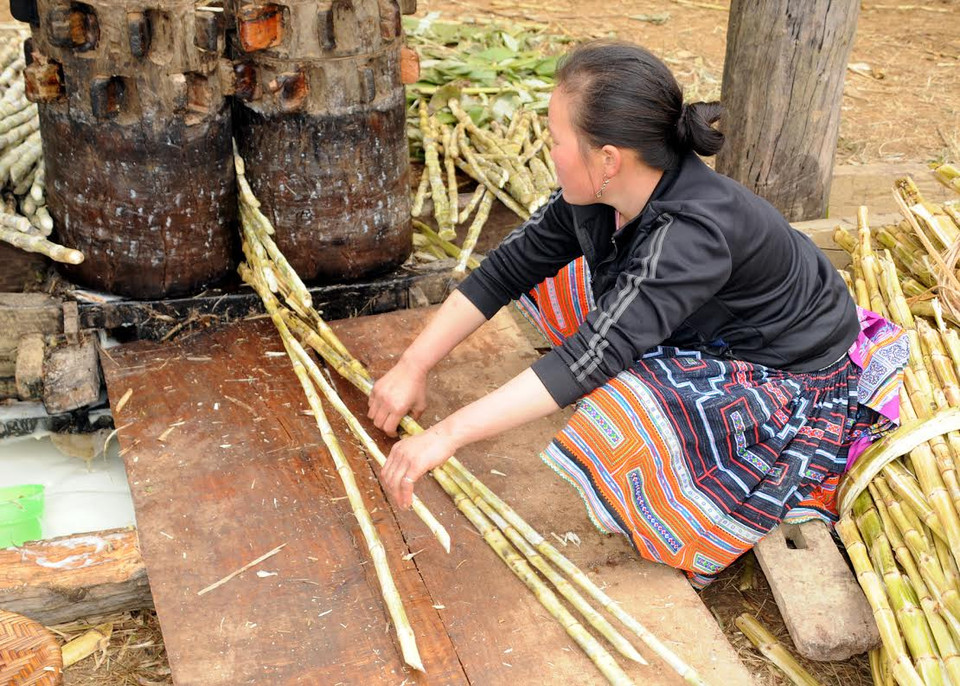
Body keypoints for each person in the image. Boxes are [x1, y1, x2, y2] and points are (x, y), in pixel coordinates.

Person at [370, 40, 908, 587]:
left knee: (621, 412)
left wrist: (445, 436)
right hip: (702, 324)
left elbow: (590, 357)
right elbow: (510, 267)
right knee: (561, 279)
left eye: (557, 140)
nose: (548, 151)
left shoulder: (692, 234)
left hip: (793, 376)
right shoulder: (602, 194)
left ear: (607, 159)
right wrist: (413, 365)